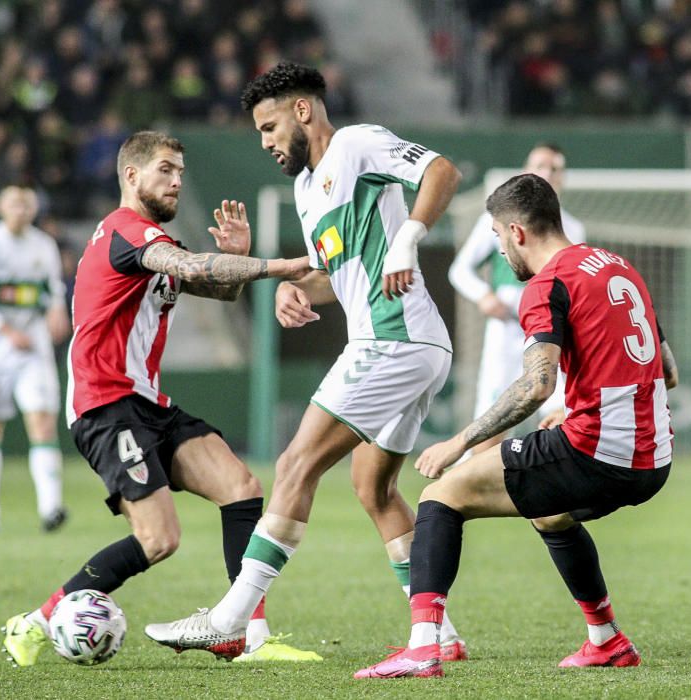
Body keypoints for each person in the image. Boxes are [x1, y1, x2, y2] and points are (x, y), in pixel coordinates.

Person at [145, 62, 469, 662]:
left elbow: (442, 171)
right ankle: (439, 632)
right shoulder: (303, 190)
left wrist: (407, 238)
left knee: (296, 462)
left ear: (302, 111)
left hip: (392, 338)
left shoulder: (356, 143)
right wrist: (296, 289)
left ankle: (230, 616)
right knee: (373, 488)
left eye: (269, 127)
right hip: (414, 346)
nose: (265, 143)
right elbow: (334, 271)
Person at [2, 130, 319, 667]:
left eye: (180, 173)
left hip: (146, 402)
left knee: (241, 488)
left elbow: (212, 282)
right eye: (165, 171)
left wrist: (235, 259)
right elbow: (194, 269)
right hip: (105, 405)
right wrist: (277, 266)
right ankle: (34, 624)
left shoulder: (151, 242)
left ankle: (245, 637)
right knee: (158, 540)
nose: (176, 182)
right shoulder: (128, 232)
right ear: (131, 175)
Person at [354, 173, 678, 679]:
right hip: (654, 461)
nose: (501, 250)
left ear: (517, 232)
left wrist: (460, 442)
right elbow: (668, 372)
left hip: (598, 457)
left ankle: (422, 647)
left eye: (497, 237)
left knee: (443, 494)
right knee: (550, 514)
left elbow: (534, 386)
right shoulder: (618, 266)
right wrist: (577, 410)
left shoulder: (547, 285)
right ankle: (606, 640)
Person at [448, 144, 586, 454]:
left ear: (563, 177)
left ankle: (558, 491)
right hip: (508, 328)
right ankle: (469, 490)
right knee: (492, 419)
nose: (547, 173)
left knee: (565, 416)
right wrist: (484, 296)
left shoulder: (573, 227)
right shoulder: (500, 220)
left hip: (552, 330)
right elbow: (460, 270)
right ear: (526, 170)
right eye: (540, 165)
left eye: (555, 168)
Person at [0, 186, 70, 535]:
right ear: (0, 206)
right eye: (14, 204)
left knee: (42, 422)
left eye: (26, 204)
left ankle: (51, 507)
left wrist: (56, 312)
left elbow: (54, 288)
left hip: (33, 347)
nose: (20, 210)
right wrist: (6, 329)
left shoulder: (44, 245)